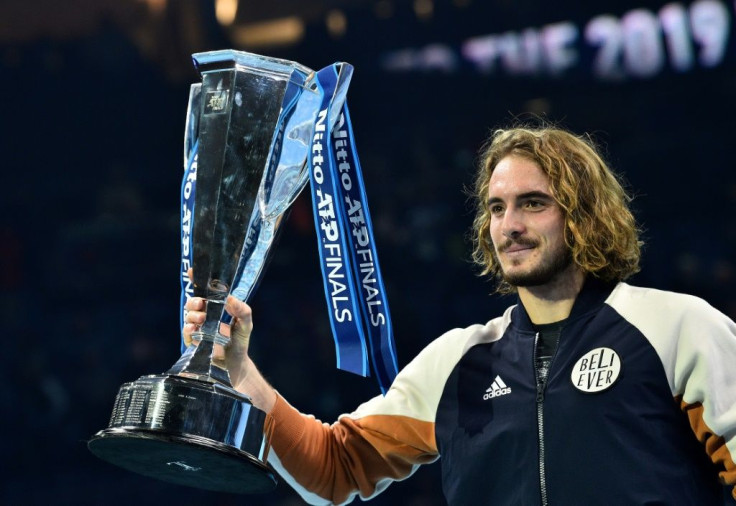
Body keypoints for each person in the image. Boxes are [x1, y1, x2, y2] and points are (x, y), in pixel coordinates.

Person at [183, 126, 736, 505]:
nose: (509, 224)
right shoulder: (460, 359)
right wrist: (239, 371)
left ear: (585, 216)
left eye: (533, 203)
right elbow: (333, 467)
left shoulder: (678, 329)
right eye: (497, 207)